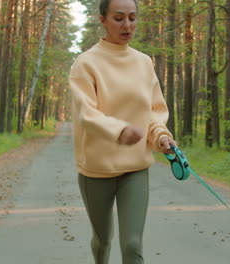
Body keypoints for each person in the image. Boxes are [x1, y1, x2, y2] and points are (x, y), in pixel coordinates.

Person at [68, 0, 177, 263]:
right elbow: (87, 113)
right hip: (97, 169)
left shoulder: (143, 63)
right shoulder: (85, 64)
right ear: (103, 20)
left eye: (132, 17)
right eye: (118, 18)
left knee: (132, 245)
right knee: (103, 240)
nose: (127, 25)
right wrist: (119, 130)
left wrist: (160, 135)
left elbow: (152, 110)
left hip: (135, 169)